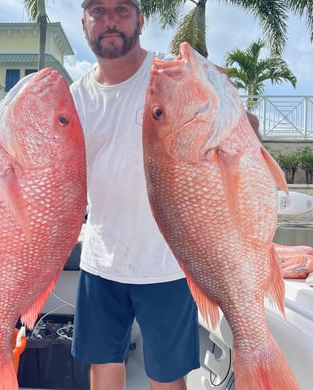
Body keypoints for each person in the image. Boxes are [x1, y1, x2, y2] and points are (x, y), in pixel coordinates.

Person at [70, 1, 200, 389]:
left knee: (165, 375)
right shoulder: (73, 99)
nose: (110, 20)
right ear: (84, 23)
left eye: (122, 9)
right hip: (99, 260)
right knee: (102, 368)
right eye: (98, 10)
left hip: (166, 261)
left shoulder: (170, 79)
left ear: (141, 20)